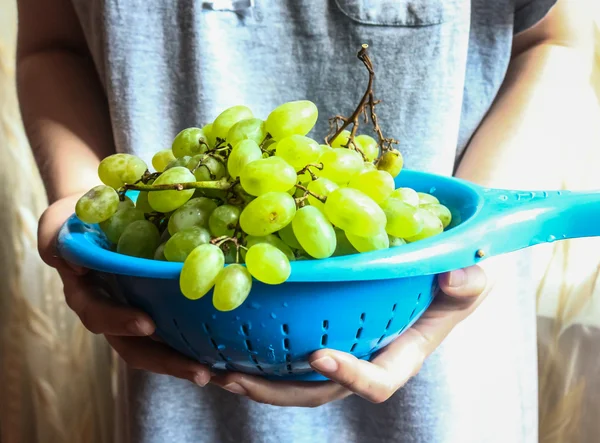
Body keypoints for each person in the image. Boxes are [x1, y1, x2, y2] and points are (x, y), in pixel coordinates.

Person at [17, 0, 594, 441]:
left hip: (441, 334)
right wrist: (79, 202)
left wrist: (471, 237)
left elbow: (554, 40)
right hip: (170, 328)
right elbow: (53, 45)